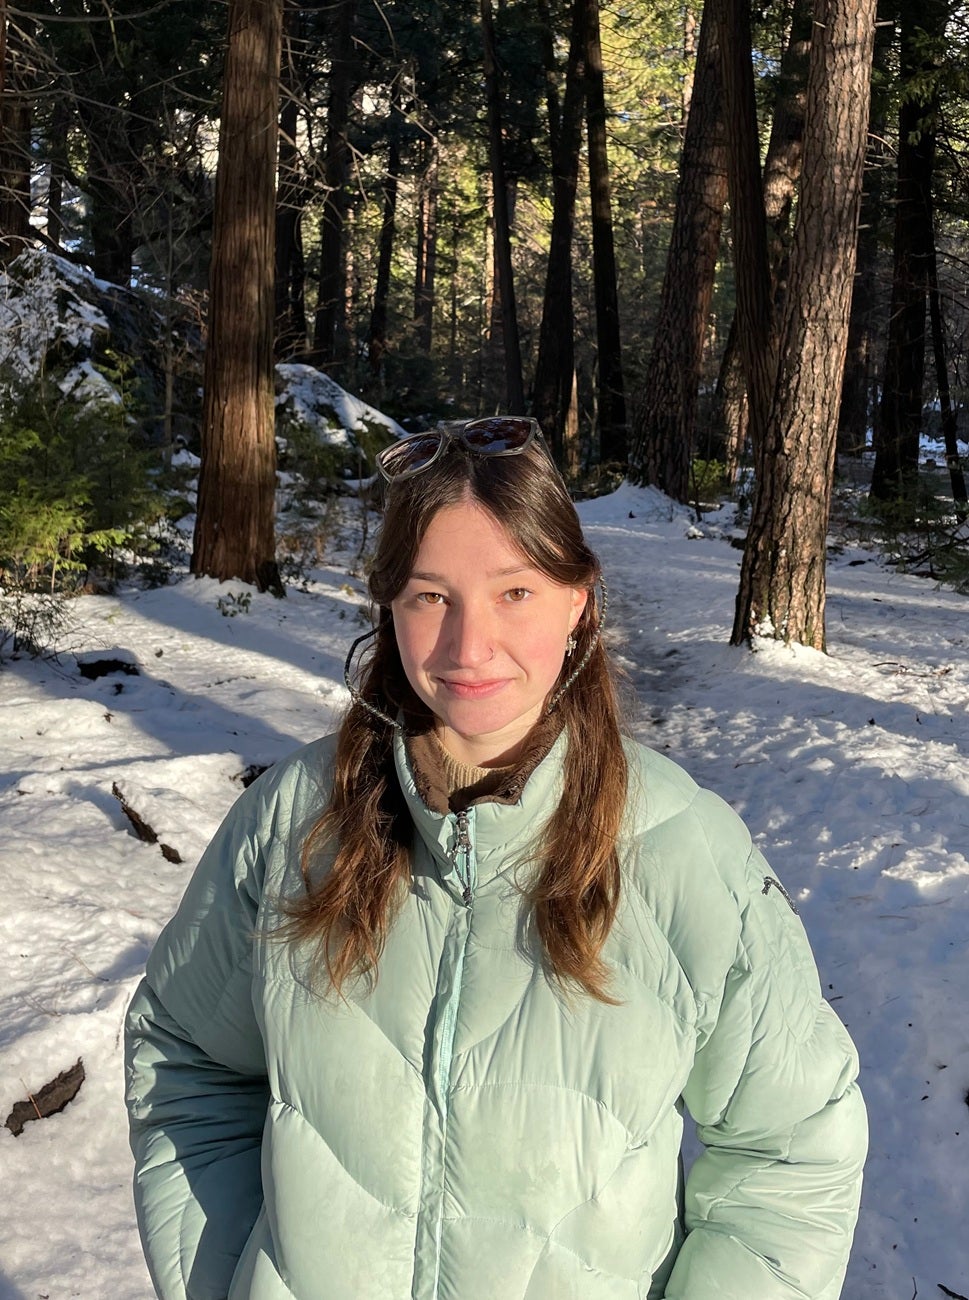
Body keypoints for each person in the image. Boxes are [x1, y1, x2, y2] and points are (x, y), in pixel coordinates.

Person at [125, 417, 867, 1300]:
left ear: (577, 598)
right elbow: (188, 1065)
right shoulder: (294, 821)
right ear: (389, 606)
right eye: (429, 597)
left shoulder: (684, 849)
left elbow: (790, 1151)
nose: (467, 648)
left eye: (513, 592)